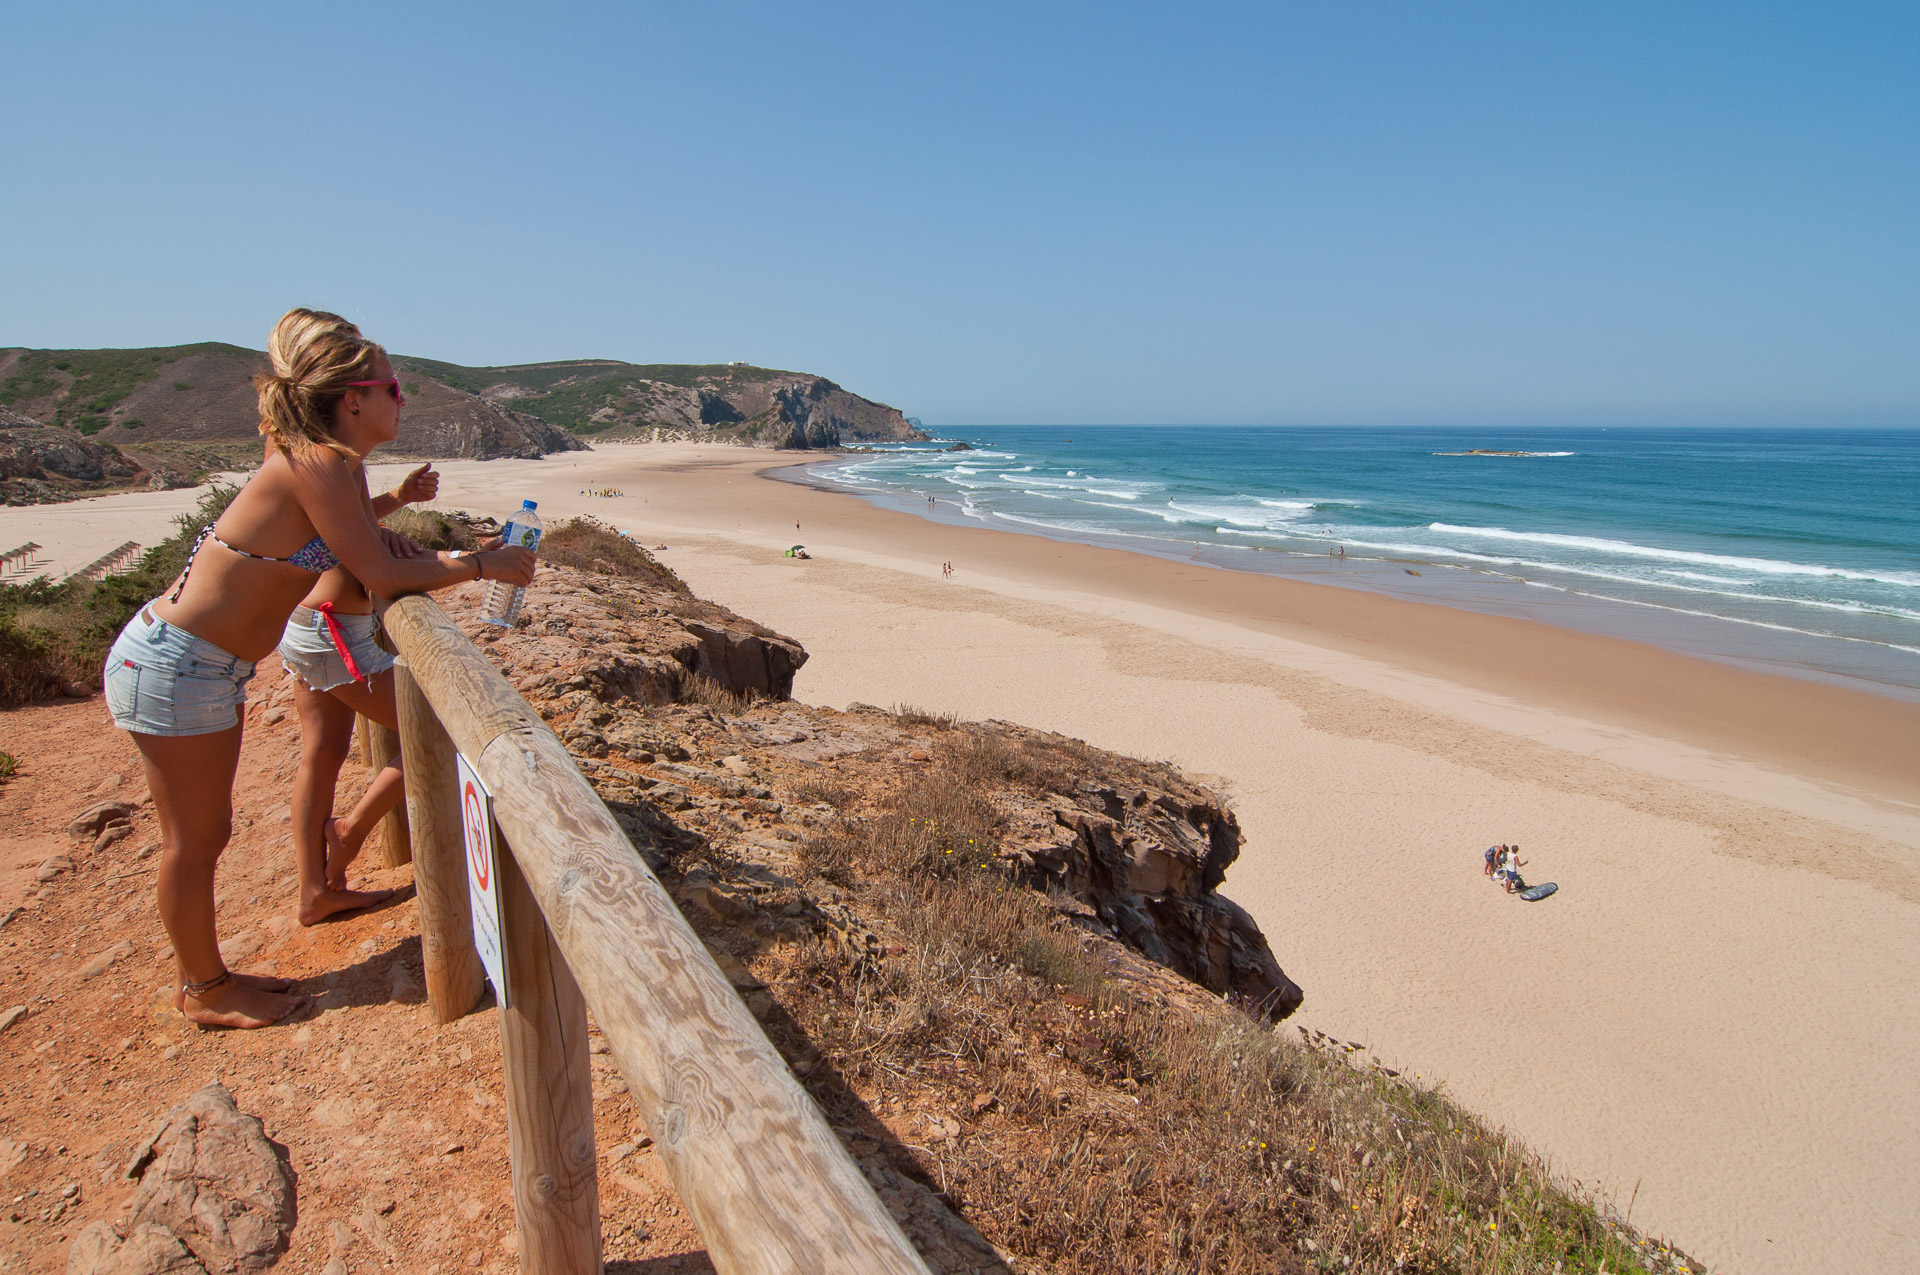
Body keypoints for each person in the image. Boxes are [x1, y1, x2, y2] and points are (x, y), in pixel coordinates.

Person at [101, 309, 537, 1029]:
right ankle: (204, 988)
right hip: (179, 664)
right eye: (392, 386)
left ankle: (232, 958)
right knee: (195, 839)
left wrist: (441, 549)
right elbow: (377, 572)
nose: (404, 397)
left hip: (204, 665)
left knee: (207, 833)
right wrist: (483, 566)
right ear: (353, 400)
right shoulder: (317, 461)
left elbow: (373, 547)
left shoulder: (336, 464)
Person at [278, 460, 498, 925]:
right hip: (333, 635)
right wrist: (477, 566)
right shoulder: (334, 460)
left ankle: (313, 893)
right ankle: (350, 830)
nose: (399, 418)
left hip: (309, 620)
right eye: (392, 397)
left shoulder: (327, 461)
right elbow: (380, 570)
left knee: (321, 752)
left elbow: (349, 532)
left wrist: (399, 507)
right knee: (443, 729)